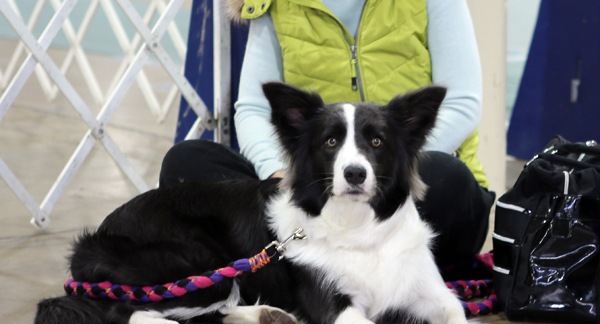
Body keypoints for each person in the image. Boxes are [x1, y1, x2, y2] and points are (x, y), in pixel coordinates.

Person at [159, 0, 495, 270]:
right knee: (187, 163)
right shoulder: (273, 3)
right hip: (315, 195)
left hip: (399, 190)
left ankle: (293, 273)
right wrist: (276, 172)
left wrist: (392, 170)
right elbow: (253, 108)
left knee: (448, 177)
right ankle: (299, 271)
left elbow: (462, 103)